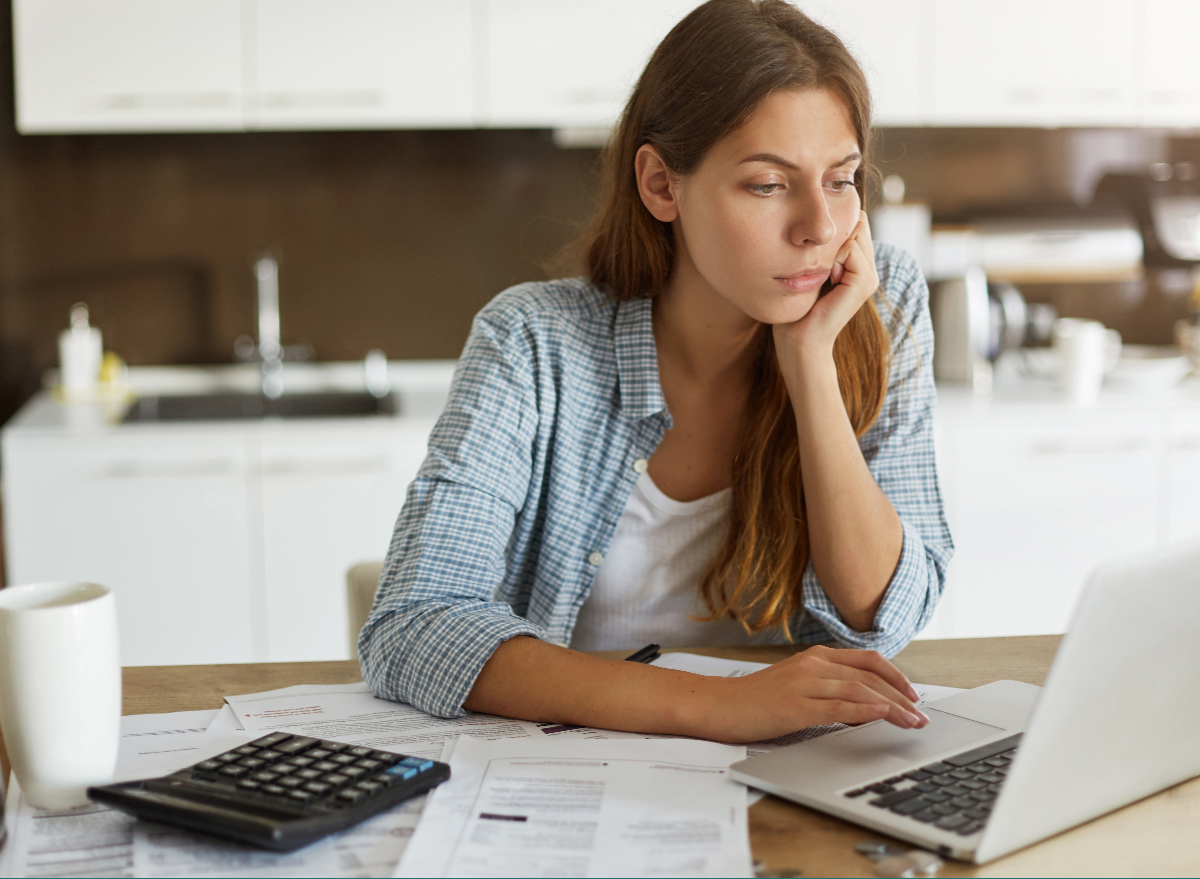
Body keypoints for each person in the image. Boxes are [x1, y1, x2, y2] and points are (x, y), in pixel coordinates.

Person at [359, 0, 952, 744]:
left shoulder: (878, 303)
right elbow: (412, 626)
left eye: (841, 179)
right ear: (661, 185)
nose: (820, 228)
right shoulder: (534, 343)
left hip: (798, 769)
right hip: (572, 774)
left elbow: (881, 613)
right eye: (768, 184)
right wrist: (714, 706)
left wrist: (809, 361)